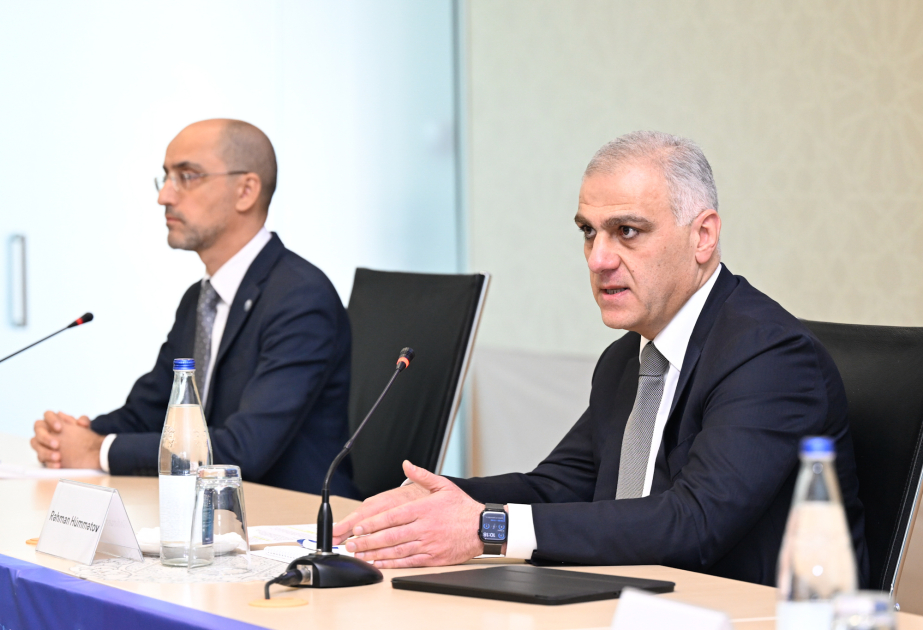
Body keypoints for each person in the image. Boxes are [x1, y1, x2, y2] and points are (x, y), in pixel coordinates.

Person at [331, 131, 869, 586]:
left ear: (703, 236)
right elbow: (557, 486)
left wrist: (486, 528)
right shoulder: (625, 359)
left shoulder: (769, 356)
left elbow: (696, 521)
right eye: (589, 232)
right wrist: (438, 503)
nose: (598, 258)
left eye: (627, 232)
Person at [30, 119, 358, 498]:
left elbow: (243, 450)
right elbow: (151, 411)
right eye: (166, 177)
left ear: (246, 191)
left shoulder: (300, 298)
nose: (164, 196)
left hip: (292, 520)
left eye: (186, 176)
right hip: (211, 516)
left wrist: (98, 451)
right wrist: (72, 436)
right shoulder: (200, 298)